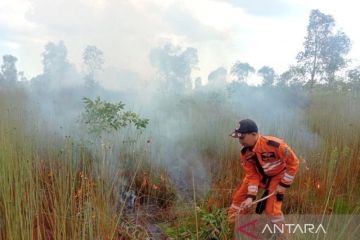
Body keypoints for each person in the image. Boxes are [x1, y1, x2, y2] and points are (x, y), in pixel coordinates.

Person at [227, 119, 300, 233]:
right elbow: (252, 175)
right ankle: (232, 228)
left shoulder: (276, 145)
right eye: (238, 138)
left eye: (242, 137)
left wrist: (283, 185)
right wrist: (250, 196)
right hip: (259, 177)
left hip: (277, 178)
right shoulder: (244, 153)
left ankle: (283, 236)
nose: (240, 141)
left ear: (254, 135)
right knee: (239, 200)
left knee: (271, 211)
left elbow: (294, 163)